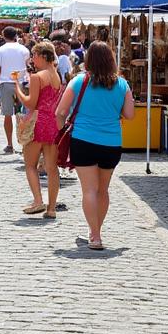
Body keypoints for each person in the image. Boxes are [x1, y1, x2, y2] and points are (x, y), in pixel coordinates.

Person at [54, 41, 133, 250]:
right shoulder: (122, 85)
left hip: (83, 140)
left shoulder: (79, 81)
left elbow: (60, 112)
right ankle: (96, 230)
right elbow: (130, 114)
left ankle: (95, 235)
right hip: (111, 143)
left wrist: (63, 130)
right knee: (103, 191)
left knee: (89, 190)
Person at [17, 42, 63, 218]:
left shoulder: (37, 77)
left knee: (30, 165)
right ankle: (51, 209)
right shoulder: (56, 75)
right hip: (52, 123)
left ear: (42, 56)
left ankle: (38, 201)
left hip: (38, 123)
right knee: (52, 168)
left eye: (34, 55)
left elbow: (30, 103)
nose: (32, 59)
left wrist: (17, 88)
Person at [0, 27, 32, 154]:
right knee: (24, 114)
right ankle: (25, 142)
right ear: (16, 35)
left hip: (6, 83)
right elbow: (29, 67)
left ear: (4, 36)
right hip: (22, 83)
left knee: (7, 114)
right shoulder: (24, 49)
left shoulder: (0, 50)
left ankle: (10, 144)